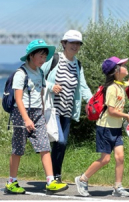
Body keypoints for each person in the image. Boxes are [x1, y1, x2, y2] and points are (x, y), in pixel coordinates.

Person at [5, 39, 69, 195]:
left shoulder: (40, 72)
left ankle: (50, 181)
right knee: (18, 149)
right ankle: (11, 181)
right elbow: (18, 99)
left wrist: (42, 112)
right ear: (31, 55)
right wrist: (26, 119)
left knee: (44, 146)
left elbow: (42, 90)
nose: (44, 60)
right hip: (22, 114)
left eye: (45, 56)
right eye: (41, 56)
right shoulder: (21, 74)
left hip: (37, 113)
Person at [75, 56, 129, 198]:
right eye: (122, 65)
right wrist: (126, 116)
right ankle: (82, 179)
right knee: (106, 159)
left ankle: (118, 187)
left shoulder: (120, 84)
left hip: (116, 128)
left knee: (120, 157)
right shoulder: (112, 89)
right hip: (105, 127)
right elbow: (111, 111)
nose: (126, 66)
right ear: (115, 71)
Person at [41, 30, 93, 183]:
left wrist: (92, 102)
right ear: (64, 43)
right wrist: (51, 86)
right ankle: (53, 175)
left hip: (68, 110)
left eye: (77, 43)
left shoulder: (77, 64)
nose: (75, 46)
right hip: (52, 108)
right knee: (60, 141)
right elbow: (38, 76)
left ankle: (55, 175)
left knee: (62, 144)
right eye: (72, 42)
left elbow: (83, 86)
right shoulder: (54, 59)